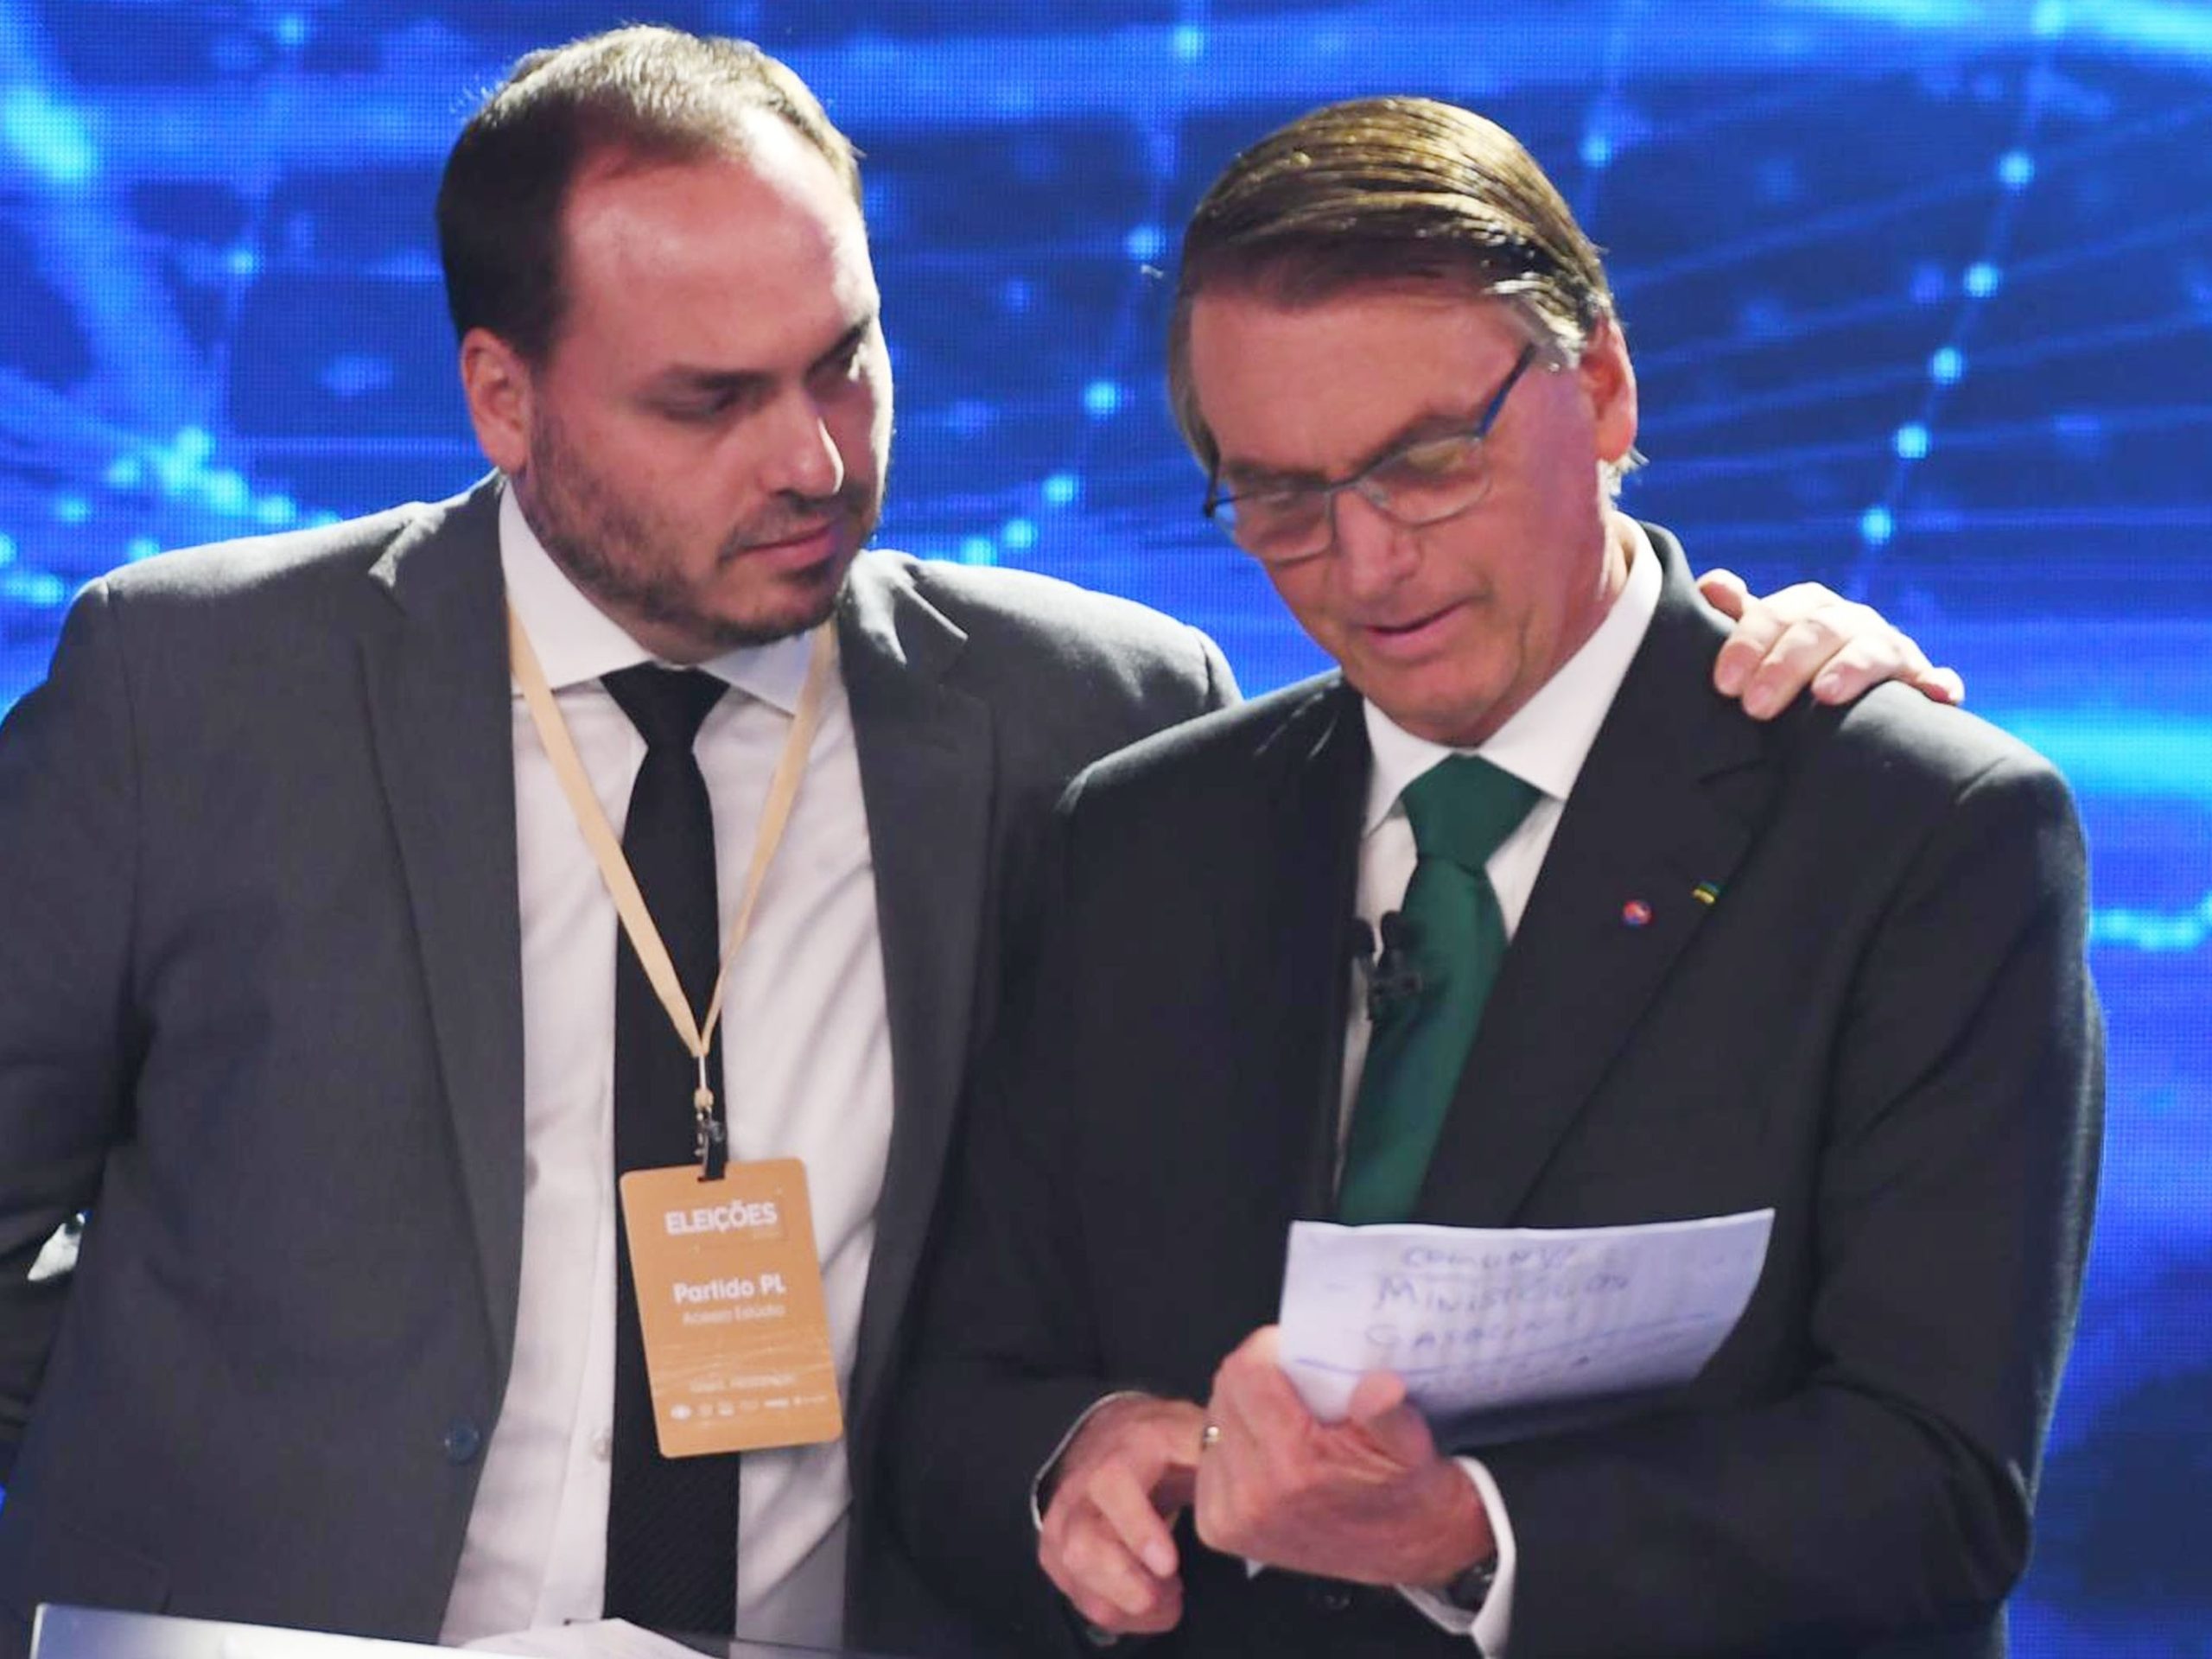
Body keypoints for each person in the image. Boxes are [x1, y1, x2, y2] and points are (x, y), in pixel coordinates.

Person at [0, 32, 1957, 1659]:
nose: (814, 459)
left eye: (843, 360)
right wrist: (177, 1460)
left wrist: (1762, 671)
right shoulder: (191, 688)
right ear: (501, 399)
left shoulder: (1096, 709)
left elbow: (1522, 700)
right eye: (709, 400)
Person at [889, 95, 2102, 1659]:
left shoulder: (1918, 832)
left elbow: (1936, 1486)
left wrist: (1469, 1533)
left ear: (1600, 388)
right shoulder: (1137, 840)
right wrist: (1080, 1453)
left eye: (1427, 462)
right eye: (1282, 497)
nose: (1367, 563)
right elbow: (954, 1404)